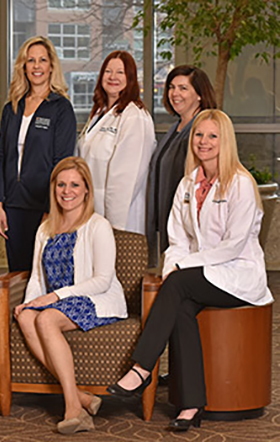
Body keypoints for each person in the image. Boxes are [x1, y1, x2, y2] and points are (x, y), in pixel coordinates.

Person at [108, 110, 273, 431]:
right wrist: (174, 266)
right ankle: (192, 405)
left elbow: (233, 247)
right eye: (199, 135)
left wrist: (182, 267)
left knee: (180, 285)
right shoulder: (188, 183)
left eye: (213, 136)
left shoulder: (240, 184)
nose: (204, 142)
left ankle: (142, 368)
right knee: (181, 304)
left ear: (226, 142)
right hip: (201, 276)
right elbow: (177, 237)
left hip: (237, 275)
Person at [14, 157, 127, 434]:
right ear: (53, 188)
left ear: (87, 189)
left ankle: (73, 408)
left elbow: (102, 280)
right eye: (61, 184)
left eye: (75, 185)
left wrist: (53, 298)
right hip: (59, 301)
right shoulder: (45, 228)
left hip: (95, 299)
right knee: (28, 318)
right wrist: (29, 303)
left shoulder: (98, 225)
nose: (67, 191)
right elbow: (38, 277)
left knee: (46, 320)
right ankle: (81, 396)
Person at [0, 36, 77, 272]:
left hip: (43, 206)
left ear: (51, 66)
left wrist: (52, 209)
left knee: (42, 273)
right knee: (16, 274)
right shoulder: (12, 108)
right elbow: (0, 158)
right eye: (31, 61)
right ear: (23, 66)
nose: (37, 66)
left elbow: (61, 164)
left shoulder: (61, 108)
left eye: (42, 60)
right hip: (12, 205)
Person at [77, 50, 156, 235]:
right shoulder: (100, 113)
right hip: (92, 213)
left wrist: (113, 228)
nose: (113, 77)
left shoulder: (135, 117)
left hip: (120, 222)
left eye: (120, 72)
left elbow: (125, 180)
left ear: (130, 78)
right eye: (108, 71)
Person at [146, 66, 216, 267]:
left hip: (190, 230)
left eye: (183, 88)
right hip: (169, 223)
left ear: (200, 95)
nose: (175, 93)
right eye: (172, 87)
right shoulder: (175, 128)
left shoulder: (201, 130)